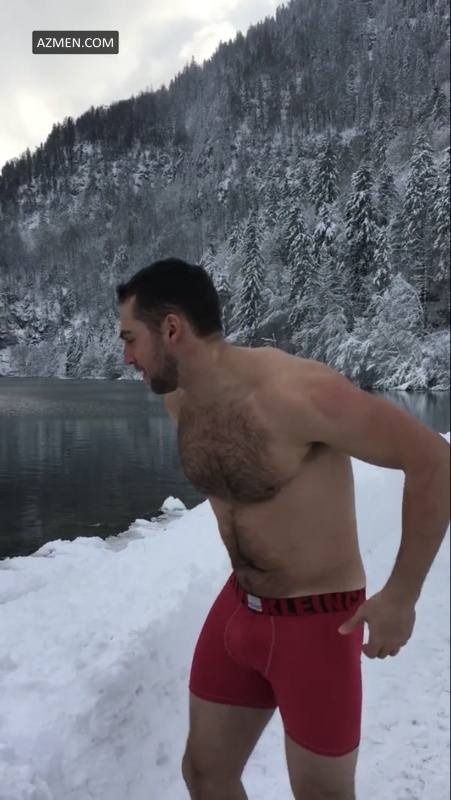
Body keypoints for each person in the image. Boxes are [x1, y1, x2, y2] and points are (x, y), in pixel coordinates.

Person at [116, 258, 450, 800]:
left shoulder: (298, 393)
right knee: (204, 774)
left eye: (131, 339)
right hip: (239, 607)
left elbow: (433, 460)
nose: (127, 356)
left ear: (171, 329)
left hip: (318, 622)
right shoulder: (179, 399)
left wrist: (403, 594)